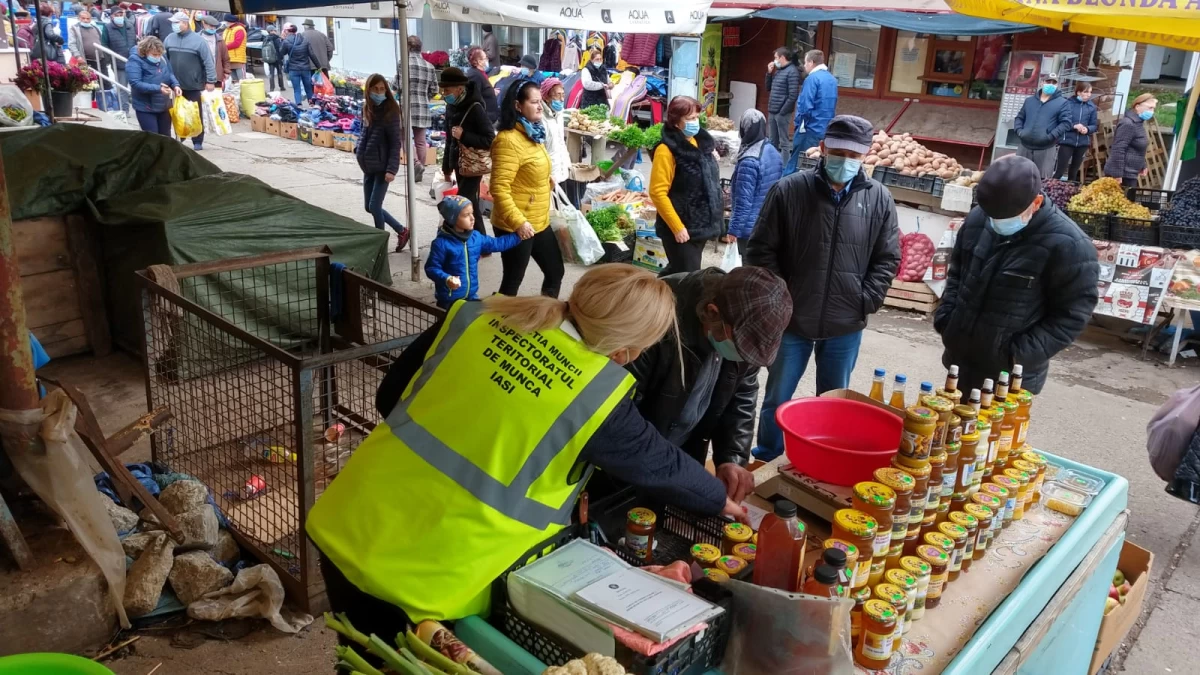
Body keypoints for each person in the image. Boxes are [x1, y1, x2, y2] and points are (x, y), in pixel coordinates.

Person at [306, 264, 745, 636]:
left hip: (350, 517)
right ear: (626, 351)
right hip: (425, 571)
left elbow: (390, 397)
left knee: (355, 651)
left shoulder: (476, 315)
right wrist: (719, 499)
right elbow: (660, 464)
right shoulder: (596, 394)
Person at [747, 115, 900, 462]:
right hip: (791, 320)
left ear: (865, 155)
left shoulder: (879, 198)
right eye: (839, 152)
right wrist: (780, 299)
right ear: (823, 148)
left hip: (845, 323)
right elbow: (760, 250)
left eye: (854, 155)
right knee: (778, 397)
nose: (845, 161)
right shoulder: (788, 190)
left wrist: (866, 300)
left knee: (833, 401)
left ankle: (823, 460)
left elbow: (888, 257)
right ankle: (767, 457)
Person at [934, 155, 1099, 395]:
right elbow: (958, 271)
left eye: (1006, 219)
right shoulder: (980, 218)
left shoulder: (1070, 245)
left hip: (1010, 378)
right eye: (992, 216)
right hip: (960, 362)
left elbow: (1072, 315)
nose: (996, 223)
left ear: (1036, 202)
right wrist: (947, 319)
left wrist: (1016, 354)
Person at [627, 266, 792, 504]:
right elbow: (621, 414)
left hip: (682, 454)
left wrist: (732, 459)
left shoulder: (745, 332)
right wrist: (678, 471)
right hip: (629, 458)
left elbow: (742, 395)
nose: (743, 359)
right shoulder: (654, 313)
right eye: (739, 347)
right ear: (711, 312)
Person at [491, 80, 564, 298]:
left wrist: (546, 180)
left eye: (541, 101)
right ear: (518, 105)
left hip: (538, 219)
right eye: (534, 102)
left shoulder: (534, 132)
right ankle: (497, 317)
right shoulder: (508, 140)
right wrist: (518, 223)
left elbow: (528, 171)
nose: (540, 106)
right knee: (512, 282)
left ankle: (544, 315)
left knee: (555, 271)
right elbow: (499, 188)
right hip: (516, 223)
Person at [649, 96, 723, 276]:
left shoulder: (700, 143)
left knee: (678, 272)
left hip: (701, 226)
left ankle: (656, 292)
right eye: (690, 119)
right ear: (676, 122)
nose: (695, 122)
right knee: (688, 277)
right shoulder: (666, 150)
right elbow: (657, 192)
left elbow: (709, 183)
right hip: (682, 228)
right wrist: (677, 227)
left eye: (696, 117)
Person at [425, 196, 525, 309]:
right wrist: (446, 279)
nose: (472, 218)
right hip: (449, 300)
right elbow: (431, 268)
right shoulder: (441, 244)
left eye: (472, 213)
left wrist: (518, 236)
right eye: (466, 215)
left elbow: (496, 244)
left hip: (471, 296)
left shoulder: (475, 237)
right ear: (453, 219)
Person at [439, 67, 495, 238]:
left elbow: (489, 139)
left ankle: (459, 239)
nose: (444, 94)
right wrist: (447, 168)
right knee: (470, 204)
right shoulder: (451, 106)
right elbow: (449, 139)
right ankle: (481, 242)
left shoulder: (475, 107)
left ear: (459, 88)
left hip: (473, 164)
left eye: (447, 90)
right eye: (443, 90)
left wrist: (464, 136)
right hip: (459, 162)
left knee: (462, 202)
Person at [357, 73, 410, 253]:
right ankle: (402, 230)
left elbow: (396, 143)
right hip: (368, 165)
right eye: (375, 89)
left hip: (383, 167)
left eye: (382, 89)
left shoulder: (391, 111)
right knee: (368, 206)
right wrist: (359, 150)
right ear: (368, 90)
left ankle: (380, 245)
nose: (379, 93)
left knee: (374, 206)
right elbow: (363, 133)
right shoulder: (367, 108)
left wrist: (391, 169)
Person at [728, 109, 783, 254]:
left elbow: (743, 202)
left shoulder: (749, 161)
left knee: (747, 266)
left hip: (748, 229)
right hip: (767, 223)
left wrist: (734, 230)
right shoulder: (773, 151)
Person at [163, 12, 216, 151]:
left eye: (176, 22)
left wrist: (211, 80)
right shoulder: (169, 39)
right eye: (173, 22)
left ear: (185, 23)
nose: (174, 25)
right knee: (176, 113)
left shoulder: (199, 41)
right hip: (174, 85)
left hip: (193, 84)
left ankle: (197, 140)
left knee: (195, 113)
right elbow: (164, 60)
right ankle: (179, 136)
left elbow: (208, 62)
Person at [783, 50, 838, 176]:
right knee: (815, 166)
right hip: (825, 128)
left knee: (795, 165)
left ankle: (785, 187)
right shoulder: (832, 79)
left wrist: (800, 125)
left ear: (811, 62)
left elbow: (805, 106)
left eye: (805, 62)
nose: (804, 66)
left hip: (809, 128)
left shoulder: (812, 79)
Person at [1013, 73, 1071, 179]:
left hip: (1046, 149)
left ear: (1057, 85)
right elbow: (1019, 118)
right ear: (1042, 83)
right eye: (1048, 82)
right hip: (1024, 147)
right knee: (1019, 177)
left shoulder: (1063, 103)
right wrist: (1019, 131)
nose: (1051, 84)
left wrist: (1050, 136)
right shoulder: (1030, 101)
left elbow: (1066, 123)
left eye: (1054, 83)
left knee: (1041, 180)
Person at [126, 36, 180, 136]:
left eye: (159, 54)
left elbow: (169, 73)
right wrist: (158, 89)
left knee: (166, 137)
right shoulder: (135, 60)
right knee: (152, 137)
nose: (157, 57)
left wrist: (175, 85)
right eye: (154, 55)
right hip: (145, 106)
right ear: (145, 51)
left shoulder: (162, 58)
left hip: (164, 105)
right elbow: (135, 83)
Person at [1104, 93, 1158, 188]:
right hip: (1122, 174)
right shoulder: (1128, 124)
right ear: (1137, 106)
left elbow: (1138, 149)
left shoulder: (1138, 123)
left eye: (1153, 108)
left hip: (1130, 172)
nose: (1152, 112)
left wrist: (1143, 165)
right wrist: (1117, 174)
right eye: (1150, 108)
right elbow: (1118, 149)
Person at [405, 35, 438, 183]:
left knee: (404, 138)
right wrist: (425, 97)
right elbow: (435, 89)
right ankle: (421, 167)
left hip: (407, 105)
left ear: (408, 47)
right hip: (423, 106)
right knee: (420, 141)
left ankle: (415, 163)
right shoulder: (429, 66)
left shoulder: (403, 63)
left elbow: (397, 85)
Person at [765, 47, 802, 167]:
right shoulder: (779, 71)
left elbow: (793, 95)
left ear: (782, 57)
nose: (774, 60)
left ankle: (785, 167)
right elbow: (768, 87)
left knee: (784, 142)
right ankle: (772, 165)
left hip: (782, 113)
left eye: (776, 57)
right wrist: (769, 73)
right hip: (772, 110)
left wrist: (782, 112)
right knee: (772, 141)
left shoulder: (792, 71)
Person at [1056, 82, 1098, 181]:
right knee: (1060, 170)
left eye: (1090, 92)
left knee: (1074, 171)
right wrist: (1074, 126)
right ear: (1078, 92)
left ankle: (1071, 188)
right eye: (1086, 92)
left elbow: (1094, 125)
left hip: (1082, 142)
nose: (1089, 94)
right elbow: (1061, 121)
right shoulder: (1068, 104)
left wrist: (1087, 129)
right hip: (1067, 141)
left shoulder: (1091, 107)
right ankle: (1051, 187)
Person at [102, 6, 136, 114]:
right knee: (122, 88)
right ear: (112, 16)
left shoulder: (130, 26)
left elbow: (134, 42)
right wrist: (111, 58)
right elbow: (104, 44)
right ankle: (124, 110)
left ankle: (138, 108)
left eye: (121, 14)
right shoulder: (107, 28)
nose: (120, 17)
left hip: (133, 62)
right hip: (118, 62)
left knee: (136, 86)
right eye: (117, 15)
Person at [540, 78, 571, 194]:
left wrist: (567, 163)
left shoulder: (559, 113)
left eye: (563, 95)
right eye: (558, 95)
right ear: (546, 97)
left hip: (561, 167)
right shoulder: (539, 117)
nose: (562, 99)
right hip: (546, 171)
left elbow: (561, 141)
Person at [280, 25, 314, 105]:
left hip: (293, 69)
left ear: (288, 31)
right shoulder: (305, 40)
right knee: (308, 88)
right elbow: (312, 55)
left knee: (297, 89)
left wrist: (282, 40)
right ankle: (311, 104)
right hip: (305, 68)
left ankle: (299, 104)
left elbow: (282, 53)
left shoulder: (286, 41)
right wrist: (319, 66)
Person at [466, 46, 498, 124]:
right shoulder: (474, 75)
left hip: (489, 117)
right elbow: (474, 98)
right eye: (485, 58)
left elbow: (482, 89)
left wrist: (491, 91)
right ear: (478, 61)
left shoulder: (481, 73)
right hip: (484, 119)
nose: (487, 60)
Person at [198, 15, 230, 89]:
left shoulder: (220, 40)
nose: (212, 28)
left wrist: (226, 71)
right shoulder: (196, 38)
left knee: (215, 95)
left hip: (216, 76)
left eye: (214, 26)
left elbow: (225, 58)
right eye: (210, 26)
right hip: (199, 77)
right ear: (204, 24)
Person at [68, 9, 104, 73]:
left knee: (104, 78)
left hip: (100, 60)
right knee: (86, 77)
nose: (86, 20)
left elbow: (102, 41)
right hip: (83, 61)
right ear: (79, 18)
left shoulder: (96, 28)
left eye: (88, 18)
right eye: (83, 18)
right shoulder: (74, 29)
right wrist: (78, 56)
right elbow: (71, 44)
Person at [220, 13, 246, 82]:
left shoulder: (239, 29)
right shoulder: (226, 30)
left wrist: (224, 47)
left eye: (226, 21)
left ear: (230, 21)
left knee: (242, 81)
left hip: (238, 59)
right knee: (234, 81)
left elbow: (237, 43)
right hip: (229, 59)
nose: (225, 23)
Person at [261, 24, 286, 92]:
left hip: (270, 58)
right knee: (279, 72)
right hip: (278, 58)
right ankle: (281, 86)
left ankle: (272, 88)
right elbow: (280, 48)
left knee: (271, 73)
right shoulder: (277, 38)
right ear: (271, 31)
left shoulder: (266, 39)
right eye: (274, 30)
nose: (276, 31)